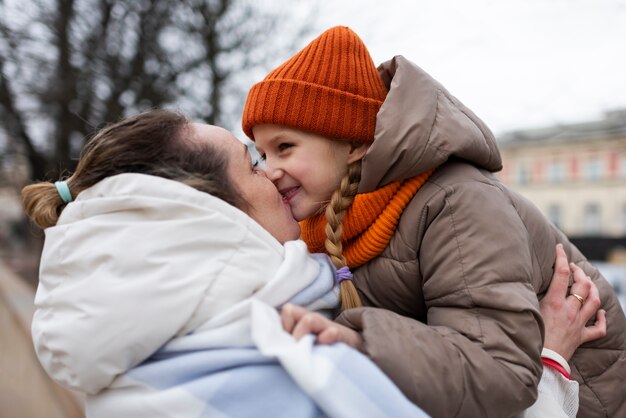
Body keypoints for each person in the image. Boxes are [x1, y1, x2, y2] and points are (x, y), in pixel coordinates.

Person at [22, 110, 603, 418]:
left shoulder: (140, 342)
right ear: (207, 208)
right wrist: (550, 360)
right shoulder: (281, 357)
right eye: (253, 163)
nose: (272, 174)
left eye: (277, 153)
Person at [242, 26, 626, 418]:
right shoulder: (326, 224)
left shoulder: (456, 202)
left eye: (285, 147)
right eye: (262, 155)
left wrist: (360, 341)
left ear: (354, 142)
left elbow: (497, 370)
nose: (270, 170)